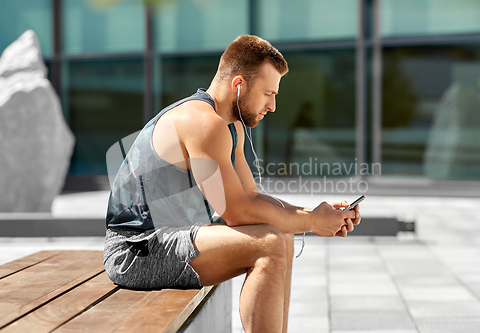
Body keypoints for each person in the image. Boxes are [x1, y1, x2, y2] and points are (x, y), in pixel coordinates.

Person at [104, 34, 361, 333]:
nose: (273, 105)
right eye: (268, 93)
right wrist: (314, 222)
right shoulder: (202, 122)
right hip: (136, 250)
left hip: (173, 235)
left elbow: (250, 196)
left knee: (283, 235)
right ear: (238, 84)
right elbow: (237, 212)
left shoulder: (231, 125)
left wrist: (316, 212)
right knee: (270, 243)